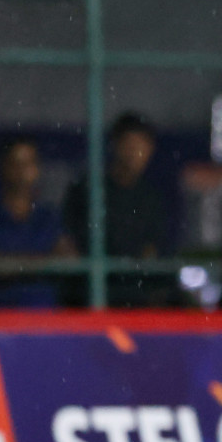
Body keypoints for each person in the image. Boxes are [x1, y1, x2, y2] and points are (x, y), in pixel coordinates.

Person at [65, 112, 173, 306]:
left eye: (142, 146)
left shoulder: (151, 197)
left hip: (137, 296)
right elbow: (73, 244)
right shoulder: (87, 189)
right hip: (92, 295)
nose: (135, 153)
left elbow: (153, 251)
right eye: (130, 145)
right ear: (115, 145)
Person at [0, 137, 75, 308]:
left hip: (45, 318)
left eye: (28, 163)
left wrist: (17, 263)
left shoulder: (49, 216)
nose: (22, 171)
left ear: (37, 169)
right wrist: (44, 261)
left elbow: (68, 259)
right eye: (16, 163)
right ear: (4, 167)